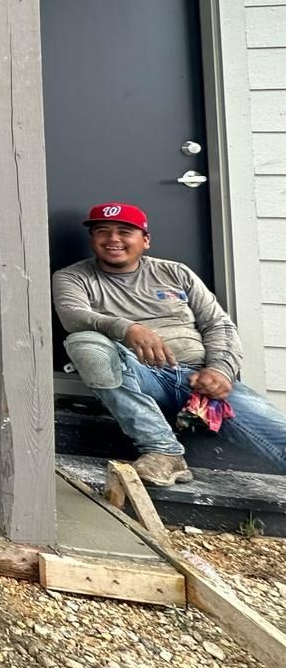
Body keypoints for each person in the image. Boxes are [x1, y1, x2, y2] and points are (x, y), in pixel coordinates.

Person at [53, 201, 286, 487]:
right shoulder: (73, 277)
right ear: (93, 239)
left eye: (125, 231)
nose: (113, 239)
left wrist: (221, 370)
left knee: (280, 437)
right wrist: (128, 328)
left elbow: (218, 324)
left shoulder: (176, 273)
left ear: (145, 240)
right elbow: (73, 317)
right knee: (84, 342)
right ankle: (163, 451)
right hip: (140, 376)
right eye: (103, 231)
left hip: (200, 381)